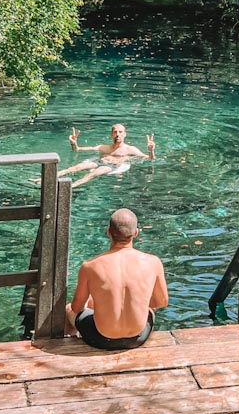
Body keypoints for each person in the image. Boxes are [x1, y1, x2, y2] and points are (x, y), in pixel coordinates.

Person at [66, 208, 169, 350]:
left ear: (108, 231)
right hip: (139, 337)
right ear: (136, 233)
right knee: (149, 308)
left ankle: (70, 342)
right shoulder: (153, 262)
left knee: (69, 310)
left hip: (101, 338)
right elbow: (162, 301)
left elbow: (76, 307)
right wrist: (140, 301)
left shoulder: (90, 266)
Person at [59, 124, 155, 188]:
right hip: (99, 161)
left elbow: (150, 158)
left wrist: (151, 150)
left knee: (91, 174)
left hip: (112, 166)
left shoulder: (130, 149)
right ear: (111, 134)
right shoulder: (104, 147)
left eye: (120, 132)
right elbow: (78, 149)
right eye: (115, 132)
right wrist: (73, 143)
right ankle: (48, 178)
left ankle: (71, 187)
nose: (118, 134)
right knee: (74, 168)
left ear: (125, 134)